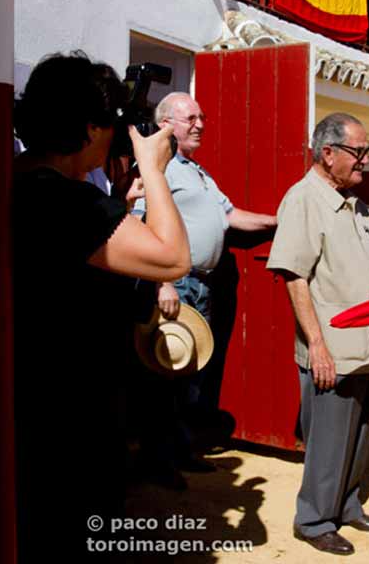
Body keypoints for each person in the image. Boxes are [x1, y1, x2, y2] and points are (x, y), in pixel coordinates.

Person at [12, 52, 191, 561]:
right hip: (69, 414)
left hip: (39, 403)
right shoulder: (62, 200)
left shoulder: (27, 182)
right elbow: (173, 258)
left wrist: (118, 198)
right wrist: (155, 170)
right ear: (91, 128)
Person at [267, 112, 369, 556]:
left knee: (358, 435)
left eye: (367, 151)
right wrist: (316, 345)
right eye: (359, 152)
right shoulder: (304, 199)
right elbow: (294, 275)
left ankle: (347, 504)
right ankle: (314, 518)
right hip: (333, 348)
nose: (366, 161)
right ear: (328, 153)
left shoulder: (354, 202)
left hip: (366, 344)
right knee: (329, 440)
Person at [131, 92, 277, 488]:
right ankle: (157, 461)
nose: (200, 124)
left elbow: (230, 217)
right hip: (174, 284)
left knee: (190, 374)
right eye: (190, 118)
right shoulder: (156, 171)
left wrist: (278, 221)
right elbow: (140, 227)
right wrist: (162, 280)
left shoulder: (197, 173)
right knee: (164, 374)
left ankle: (179, 452)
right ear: (166, 125)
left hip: (201, 285)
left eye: (201, 117)